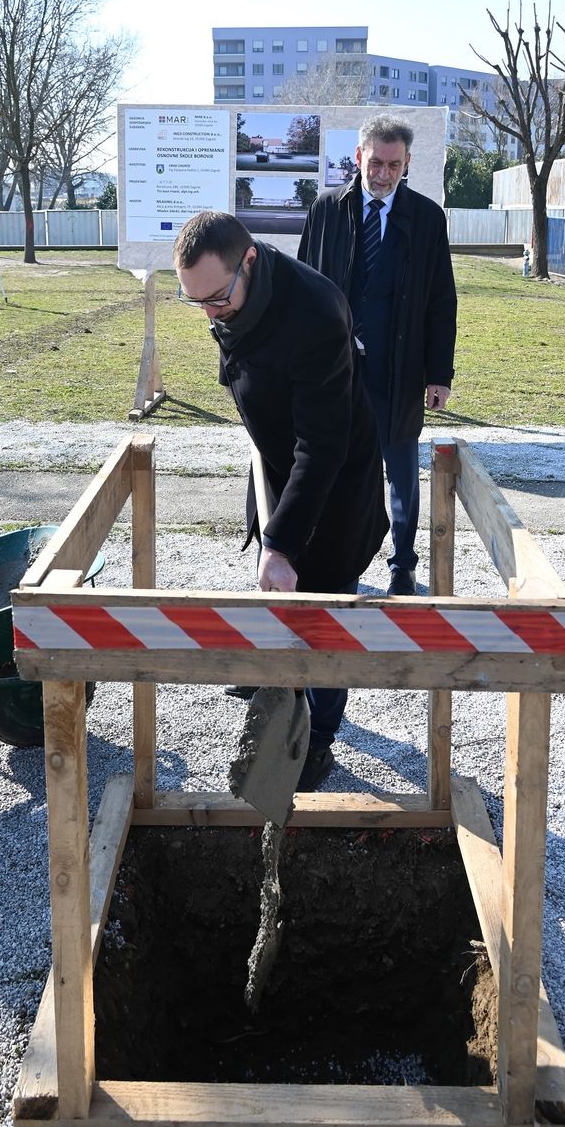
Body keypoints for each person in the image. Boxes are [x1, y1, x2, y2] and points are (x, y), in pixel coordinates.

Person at [172, 210, 388, 790]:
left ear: (248, 261)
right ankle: (276, 671)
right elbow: (238, 352)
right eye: (197, 303)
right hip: (280, 460)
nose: (210, 313)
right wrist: (276, 544)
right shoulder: (234, 289)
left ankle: (316, 737)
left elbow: (323, 445)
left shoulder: (315, 311)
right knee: (277, 581)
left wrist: (286, 543)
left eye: (216, 298)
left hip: (335, 478)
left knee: (326, 612)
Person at [297, 114, 458, 597]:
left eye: (394, 164)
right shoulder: (327, 209)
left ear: (406, 163)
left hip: (399, 369)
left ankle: (402, 564)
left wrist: (439, 373)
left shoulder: (427, 218)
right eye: (375, 162)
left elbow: (440, 301)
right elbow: (304, 287)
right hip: (336, 370)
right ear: (358, 158)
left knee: (401, 472)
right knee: (332, 464)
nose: (383, 173)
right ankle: (331, 555)